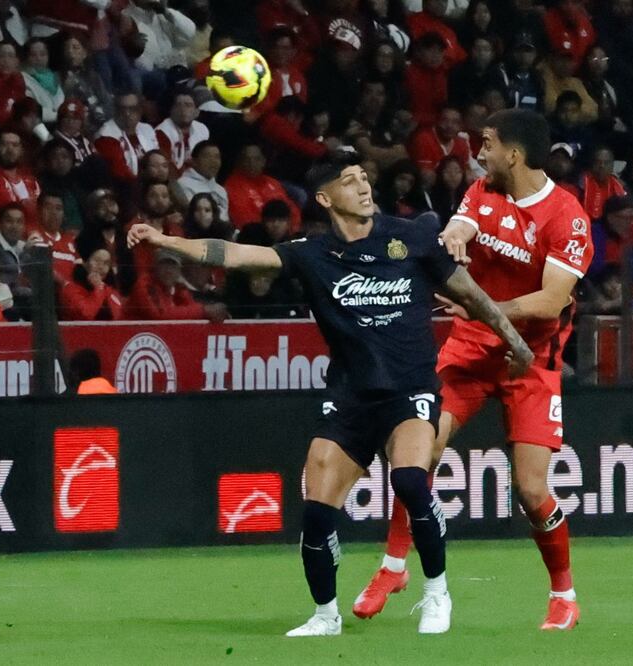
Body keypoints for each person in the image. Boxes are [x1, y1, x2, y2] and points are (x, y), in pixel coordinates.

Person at [127, 151, 533, 636]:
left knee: (409, 481)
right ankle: (325, 616)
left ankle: (436, 593)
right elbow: (232, 255)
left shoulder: (413, 237)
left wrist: (514, 340)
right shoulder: (312, 254)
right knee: (317, 517)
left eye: (365, 178)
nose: (364, 187)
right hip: (350, 398)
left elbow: (471, 295)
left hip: (409, 391)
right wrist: (162, 239)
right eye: (350, 181)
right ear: (325, 198)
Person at [357, 109, 591, 631]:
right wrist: (456, 236)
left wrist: (483, 306)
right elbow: (462, 223)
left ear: (514, 153)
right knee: (414, 452)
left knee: (531, 491)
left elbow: (552, 301)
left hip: (530, 361)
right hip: (468, 351)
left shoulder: (565, 216)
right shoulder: (483, 190)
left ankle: (564, 595)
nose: (477, 151)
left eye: (486, 143)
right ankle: (393, 567)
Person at [172, 140, 228, 220]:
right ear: (194, 161)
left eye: (217, 157)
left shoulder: (221, 190)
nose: (213, 162)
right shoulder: (184, 184)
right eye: (207, 157)